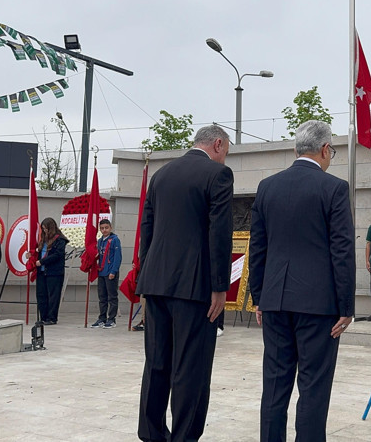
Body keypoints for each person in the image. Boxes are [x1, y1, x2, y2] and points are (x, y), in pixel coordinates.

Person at [248, 120, 356, 442]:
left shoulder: (268, 187)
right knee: (313, 388)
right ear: (324, 149)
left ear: (297, 148)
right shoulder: (333, 188)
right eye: (332, 152)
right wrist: (346, 306)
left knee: (275, 386)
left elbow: (258, 247)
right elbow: (342, 250)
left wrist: (258, 297)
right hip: (319, 305)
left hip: (276, 301)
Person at [136, 125, 234, 442]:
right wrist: (220, 288)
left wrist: (143, 279)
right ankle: (183, 437)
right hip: (195, 288)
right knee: (191, 368)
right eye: (226, 151)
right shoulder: (217, 175)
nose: (225, 158)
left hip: (156, 282)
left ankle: (151, 433)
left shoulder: (161, 175)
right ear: (218, 144)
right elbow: (219, 235)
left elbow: (146, 230)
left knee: (157, 362)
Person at [34, 217, 69, 325]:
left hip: (54, 272)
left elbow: (57, 255)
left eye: (46, 229)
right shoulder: (43, 239)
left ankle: (52, 318)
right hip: (42, 271)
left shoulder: (60, 240)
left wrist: (43, 261)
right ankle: (43, 317)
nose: (44, 231)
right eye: (43, 229)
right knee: (41, 294)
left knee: (53, 296)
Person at [91, 218, 122, 329]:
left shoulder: (115, 240)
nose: (104, 230)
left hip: (110, 272)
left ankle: (111, 319)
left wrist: (113, 271)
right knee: (102, 297)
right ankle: (102, 318)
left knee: (112, 297)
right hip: (102, 272)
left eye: (106, 228)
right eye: (102, 228)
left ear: (110, 228)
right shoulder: (100, 241)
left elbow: (117, 258)